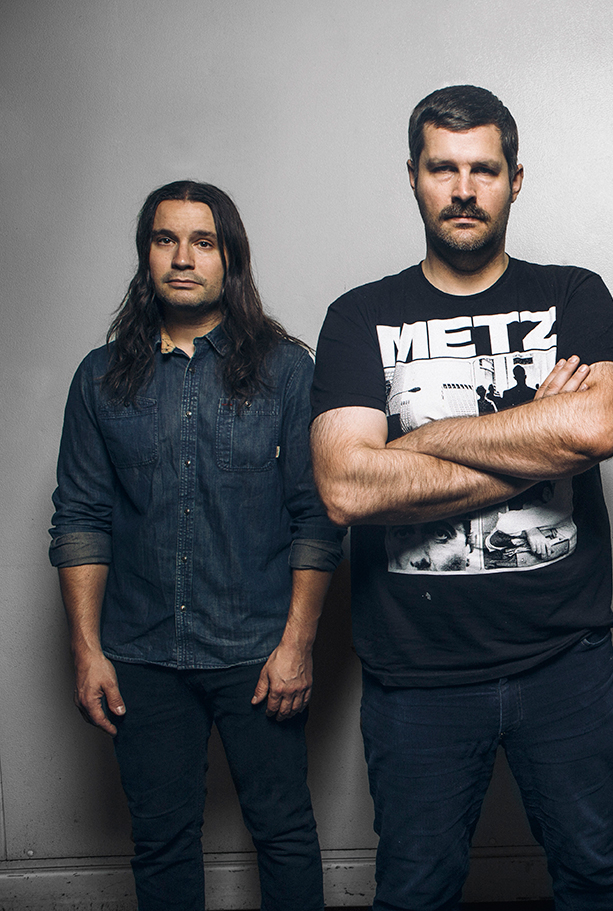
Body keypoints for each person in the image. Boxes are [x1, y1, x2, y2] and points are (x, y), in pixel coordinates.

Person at [309, 85, 613, 910]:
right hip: (416, 673)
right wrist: (533, 432)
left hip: (564, 662)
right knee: (416, 891)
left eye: (483, 169)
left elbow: (596, 427)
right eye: (442, 169)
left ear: (515, 179)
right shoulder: (358, 317)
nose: (463, 189)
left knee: (596, 878)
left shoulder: (574, 295)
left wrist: (407, 446)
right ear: (413, 177)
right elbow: (347, 485)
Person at [49, 180, 343, 911]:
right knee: (161, 841)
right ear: (146, 255)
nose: (182, 258)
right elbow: (81, 517)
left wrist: (298, 645)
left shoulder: (286, 370)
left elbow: (319, 515)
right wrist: (87, 648)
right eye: (164, 239)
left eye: (202, 241)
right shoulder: (98, 377)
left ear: (230, 259)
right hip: (142, 652)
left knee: (282, 830)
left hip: (257, 648)